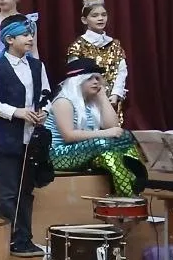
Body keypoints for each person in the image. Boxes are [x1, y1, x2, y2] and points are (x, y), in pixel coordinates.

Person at [0, 14, 51, 257]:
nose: (30, 39)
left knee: (26, 190)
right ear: (9, 39)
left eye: (31, 34)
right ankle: (9, 240)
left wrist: (44, 111)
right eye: (25, 35)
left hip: (32, 139)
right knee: (9, 191)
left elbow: (46, 95)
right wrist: (15, 112)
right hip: (7, 138)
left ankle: (24, 237)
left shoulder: (37, 66)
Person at [45, 58, 146, 196]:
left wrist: (102, 97)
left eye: (98, 78)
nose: (96, 82)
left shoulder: (92, 102)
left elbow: (113, 126)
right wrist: (105, 133)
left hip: (82, 151)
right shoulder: (63, 101)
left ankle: (133, 187)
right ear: (77, 81)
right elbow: (69, 136)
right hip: (57, 155)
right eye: (90, 78)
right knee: (102, 143)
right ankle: (128, 192)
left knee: (124, 138)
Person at [65, 0, 128, 124]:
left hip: (111, 100)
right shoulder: (78, 46)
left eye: (103, 15)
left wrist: (116, 93)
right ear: (84, 20)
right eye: (95, 15)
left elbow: (121, 71)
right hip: (87, 101)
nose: (100, 18)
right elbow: (75, 77)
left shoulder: (114, 44)